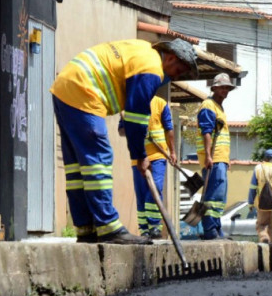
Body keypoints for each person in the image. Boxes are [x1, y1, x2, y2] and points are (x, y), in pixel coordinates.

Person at [50, 38, 196, 245]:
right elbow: (135, 120)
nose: (176, 77)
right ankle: (109, 227)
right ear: (171, 58)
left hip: (65, 87)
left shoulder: (143, 51)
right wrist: (140, 156)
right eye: (178, 71)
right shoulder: (151, 69)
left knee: (77, 167)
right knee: (98, 160)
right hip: (84, 89)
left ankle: (86, 228)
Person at [197, 73, 235, 240]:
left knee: (218, 196)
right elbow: (206, 131)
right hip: (214, 158)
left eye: (227, 88)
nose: (225, 90)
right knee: (213, 194)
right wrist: (208, 156)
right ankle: (210, 229)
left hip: (221, 158)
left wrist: (226, 159)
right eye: (222, 87)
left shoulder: (219, 107)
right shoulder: (208, 105)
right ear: (214, 88)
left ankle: (216, 227)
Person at [133, 94, 175, 238]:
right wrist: (131, 127)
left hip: (158, 155)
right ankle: (144, 229)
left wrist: (172, 151)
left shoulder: (160, 103)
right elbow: (121, 131)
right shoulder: (131, 102)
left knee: (155, 187)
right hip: (138, 157)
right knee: (141, 193)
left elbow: (169, 128)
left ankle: (155, 226)